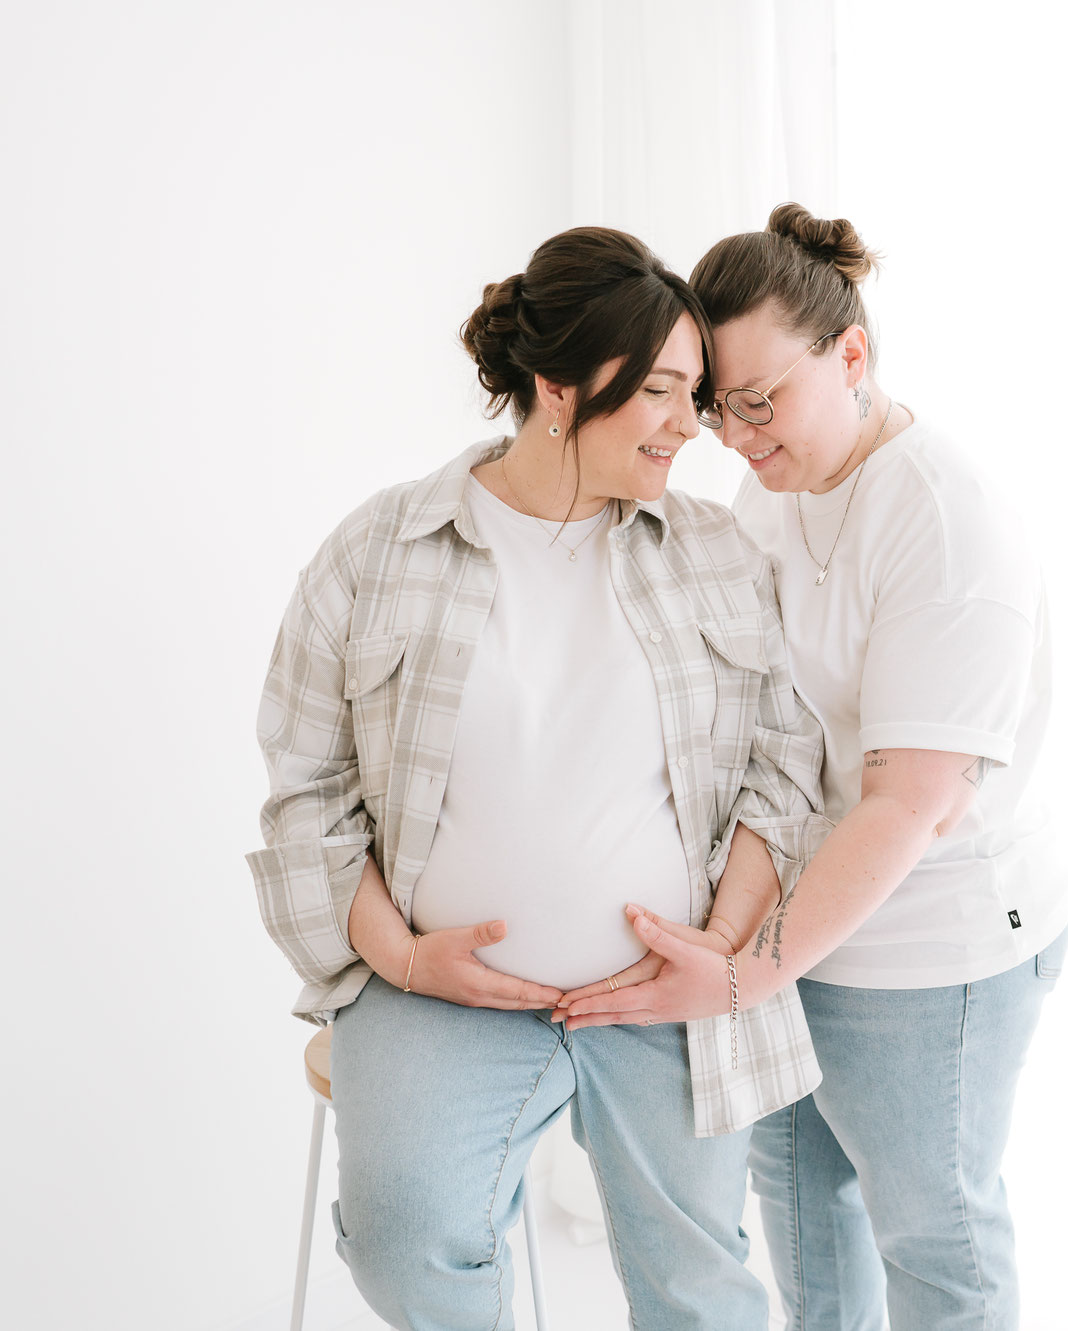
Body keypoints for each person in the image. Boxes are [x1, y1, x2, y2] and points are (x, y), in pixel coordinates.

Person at [245, 225, 832, 1331]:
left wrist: (718, 950)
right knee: (403, 1241)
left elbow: (782, 769)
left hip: (666, 990)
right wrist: (404, 954)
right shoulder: (380, 552)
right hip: (439, 993)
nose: (689, 425)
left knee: (698, 1289)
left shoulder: (713, 553)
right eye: (660, 392)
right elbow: (305, 794)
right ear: (559, 387)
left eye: (695, 393)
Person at [557, 204, 1068, 1330]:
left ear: (851, 353)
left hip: (929, 946)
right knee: (799, 1210)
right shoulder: (779, 482)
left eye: (756, 402)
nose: (734, 438)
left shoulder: (947, 526)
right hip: (798, 928)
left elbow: (906, 804)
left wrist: (743, 976)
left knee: (932, 1232)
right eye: (714, 410)